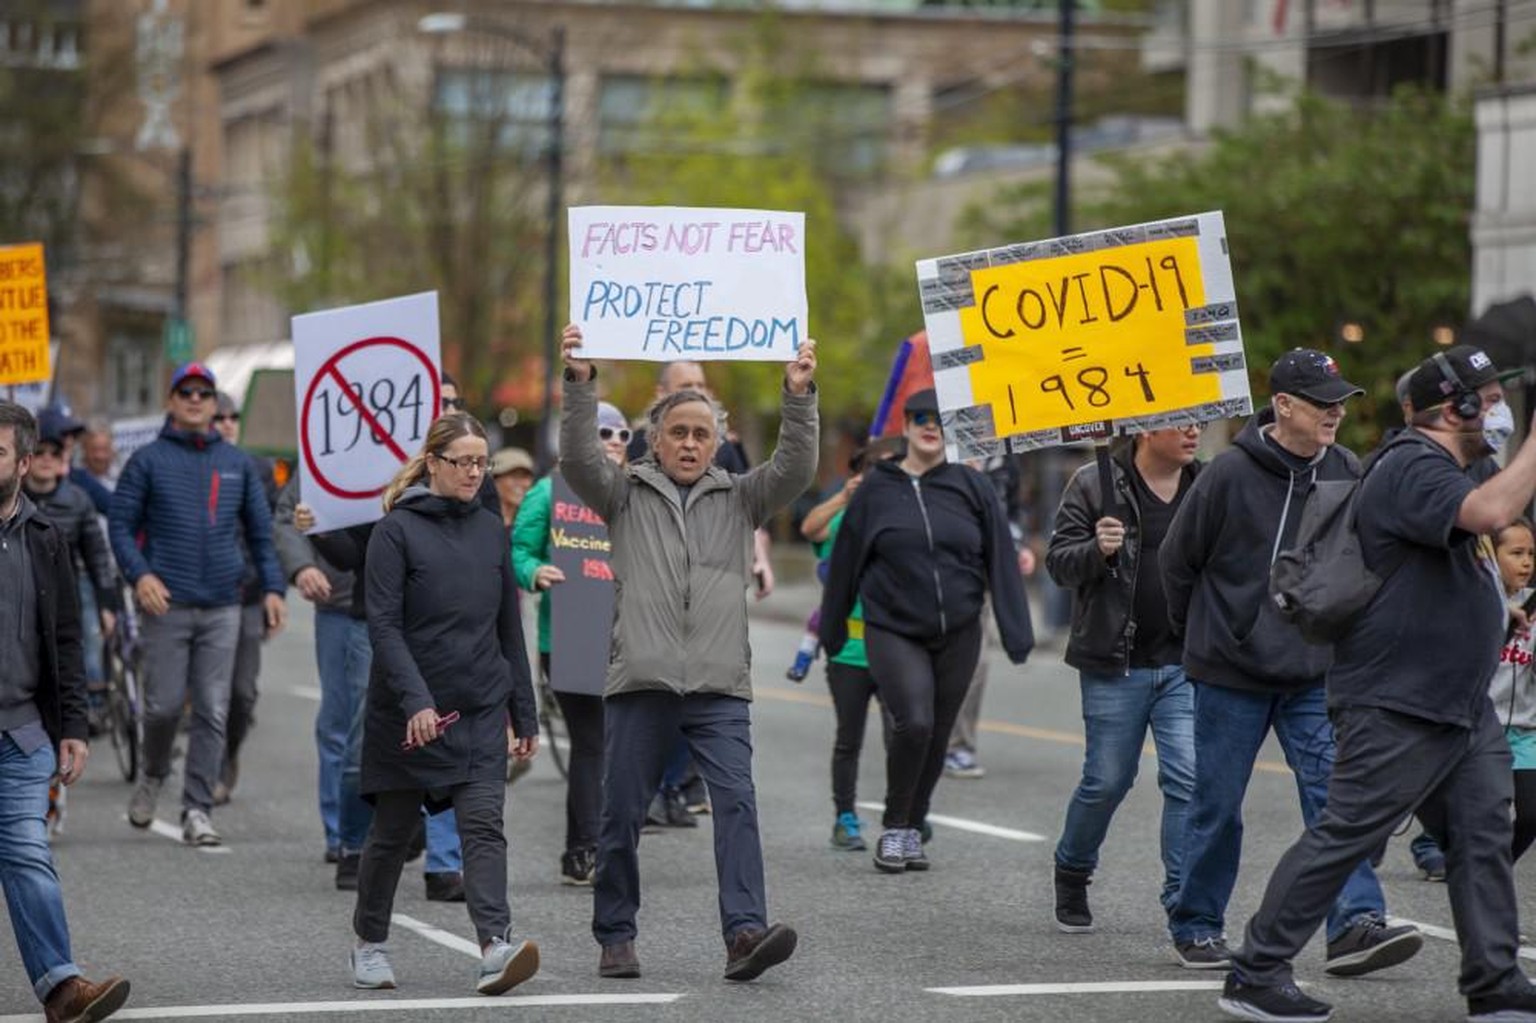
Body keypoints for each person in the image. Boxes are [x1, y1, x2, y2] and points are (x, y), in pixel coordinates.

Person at [1222, 345, 1536, 1022]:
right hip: (1398, 698)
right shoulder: (1410, 465)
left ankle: (1495, 980)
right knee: (1346, 833)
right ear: (1455, 407)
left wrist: (1491, 603)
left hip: (1457, 700)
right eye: (1490, 397)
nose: (1501, 409)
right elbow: (1486, 514)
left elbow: (1471, 537)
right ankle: (1255, 971)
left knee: (1483, 833)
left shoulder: (1455, 467)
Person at [561, 324, 815, 982]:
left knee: (737, 804)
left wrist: (797, 393)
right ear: (655, 437)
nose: (691, 444)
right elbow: (579, 460)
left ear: (718, 442)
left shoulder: (740, 497)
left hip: (718, 685)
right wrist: (582, 384)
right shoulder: (624, 493)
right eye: (679, 432)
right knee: (620, 816)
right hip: (641, 681)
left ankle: (744, 933)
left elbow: (796, 467)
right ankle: (616, 933)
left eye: (703, 434)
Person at [1160, 348, 1420, 976]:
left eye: (1340, 402)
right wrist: (1208, 637)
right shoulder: (1225, 475)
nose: (1335, 412)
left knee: (1337, 799)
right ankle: (1196, 925)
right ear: (1283, 405)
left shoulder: (1345, 470)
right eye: (1322, 402)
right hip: (1230, 672)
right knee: (1218, 806)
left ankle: (1355, 923)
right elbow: (1177, 563)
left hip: (1313, 673)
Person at [349, 411, 540, 995]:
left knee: (483, 825)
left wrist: (523, 711)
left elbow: (508, 626)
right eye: (463, 462)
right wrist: (415, 701)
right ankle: (369, 943)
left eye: (482, 463)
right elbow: (382, 625)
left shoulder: (490, 530)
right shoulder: (395, 532)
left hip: (478, 704)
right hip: (412, 712)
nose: (475, 473)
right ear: (432, 463)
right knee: (392, 832)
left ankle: (494, 947)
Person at [819, 388, 1034, 873]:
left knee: (937, 733)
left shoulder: (970, 486)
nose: (930, 425)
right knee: (913, 721)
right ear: (907, 425)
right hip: (893, 627)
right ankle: (895, 828)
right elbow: (846, 562)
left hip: (959, 629)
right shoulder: (878, 488)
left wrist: (1016, 631)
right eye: (920, 418)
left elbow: (999, 556)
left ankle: (913, 825)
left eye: (940, 418)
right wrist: (830, 633)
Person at [108, 362, 287, 847]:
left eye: (204, 393)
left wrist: (274, 588)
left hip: (224, 605)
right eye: (185, 392)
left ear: (214, 404)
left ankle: (197, 809)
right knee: (164, 707)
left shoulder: (237, 463)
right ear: (171, 401)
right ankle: (153, 773)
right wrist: (140, 574)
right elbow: (120, 527)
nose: (194, 399)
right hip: (166, 603)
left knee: (212, 708)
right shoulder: (146, 461)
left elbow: (260, 533)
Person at [0, 401, 131, 1023]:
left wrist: (74, 727)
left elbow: (67, 640)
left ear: (24, 463)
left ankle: (62, 989)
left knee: (27, 850)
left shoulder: (47, 537)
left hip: (22, 730)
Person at [1044, 427, 1201, 933]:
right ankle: (1072, 867)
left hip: (1185, 664)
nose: (1196, 429)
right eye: (1184, 419)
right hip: (1116, 661)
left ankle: (1183, 900)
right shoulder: (1095, 483)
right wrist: (1097, 549)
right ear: (1150, 428)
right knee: (1108, 780)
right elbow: (1058, 565)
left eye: (1200, 418)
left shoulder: (1207, 485)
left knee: (1187, 778)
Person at [512, 400, 629, 885]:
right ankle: (582, 849)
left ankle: (608, 842)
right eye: (605, 433)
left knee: (620, 745)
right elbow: (517, 549)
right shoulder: (547, 493)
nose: (616, 443)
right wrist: (535, 570)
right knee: (592, 742)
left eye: (624, 436)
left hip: (630, 635)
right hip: (570, 634)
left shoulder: (634, 493)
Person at [802, 437, 904, 851]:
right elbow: (810, 528)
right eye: (872, 469)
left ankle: (905, 816)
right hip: (849, 650)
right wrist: (845, 496)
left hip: (898, 647)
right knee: (849, 738)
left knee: (902, 734)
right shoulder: (846, 519)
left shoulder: (907, 516)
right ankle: (845, 816)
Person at [211, 391, 277, 805]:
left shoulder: (258, 468)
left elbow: (267, 534)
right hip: (201, 597)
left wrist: (274, 589)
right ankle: (207, 769)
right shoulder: (189, 464)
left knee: (242, 693)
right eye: (220, 416)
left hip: (248, 595)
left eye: (234, 416)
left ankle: (228, 754)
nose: (228, 423)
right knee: (206, 692)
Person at [1491, 517, 1536, 864]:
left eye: (1531, 554)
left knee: (1531, 815)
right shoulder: (1475, 601)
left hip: (1525, 732)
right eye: (1516, 552)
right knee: (1485, 817)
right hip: (1480, 732)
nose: (1526, 562)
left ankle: (1493, 869)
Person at [491, 447, 536, 532]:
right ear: (495, 480)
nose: (522, 484)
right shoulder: (478, 522)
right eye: (514, 476)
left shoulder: (532, 524)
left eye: (525, 477)